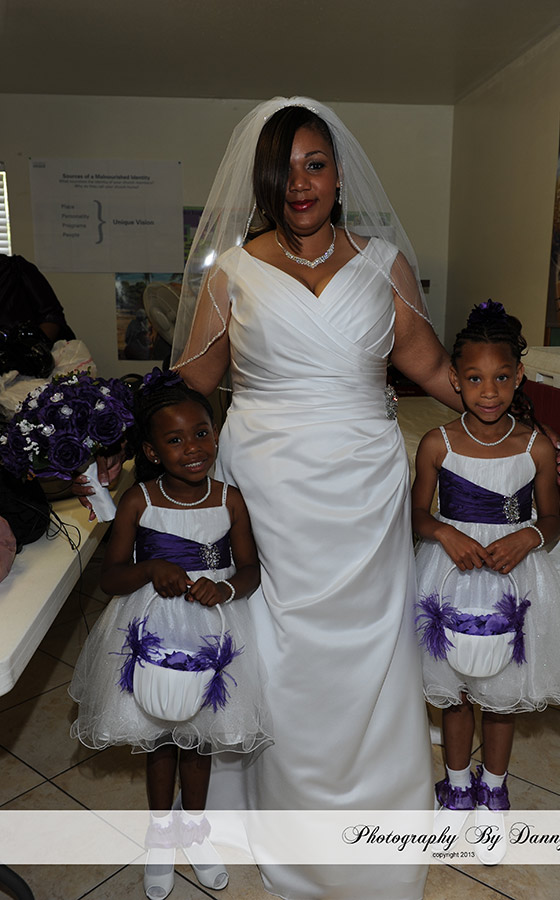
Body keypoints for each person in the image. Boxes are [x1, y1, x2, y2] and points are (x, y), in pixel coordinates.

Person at [168, 96, 468, 900]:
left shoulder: (384, 264)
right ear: (265, 183)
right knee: (282, 652)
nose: (300, 184)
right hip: (268, 487)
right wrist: (112, 421)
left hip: (364, 485)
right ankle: (289, 827)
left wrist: (511, 416)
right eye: (285, 170)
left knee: (369, 646)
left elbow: (430, 366)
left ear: (338, 177)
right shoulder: (233, 272)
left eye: (315, 165)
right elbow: (192, 380)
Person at [69, 368, 270, 900]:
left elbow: (251, 570)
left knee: (198, 737)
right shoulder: (140, 500)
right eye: (175, 440)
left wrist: (225, 589)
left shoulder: (230, 499)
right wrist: (150, 568)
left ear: (216, 434)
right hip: (153, 628)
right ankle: (160, 835)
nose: (193, 447)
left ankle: (194, 831)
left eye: (201, 433)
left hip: (214, 630)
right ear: (152, 452)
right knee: (160, 737)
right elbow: (111, 577)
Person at [411, 301, 560, 864]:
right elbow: (416, 514)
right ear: (454, 379)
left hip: (514, 578)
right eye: (474, 379)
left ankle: (494, 790)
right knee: (455, 688)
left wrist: (528, 538)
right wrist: (443, 532)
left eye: (500, 378)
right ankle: (457, 786)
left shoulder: (535, 444)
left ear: (518, 377)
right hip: (450, 574)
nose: (488, 391)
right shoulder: (437, 443)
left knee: (501, 692)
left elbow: (552, 520)